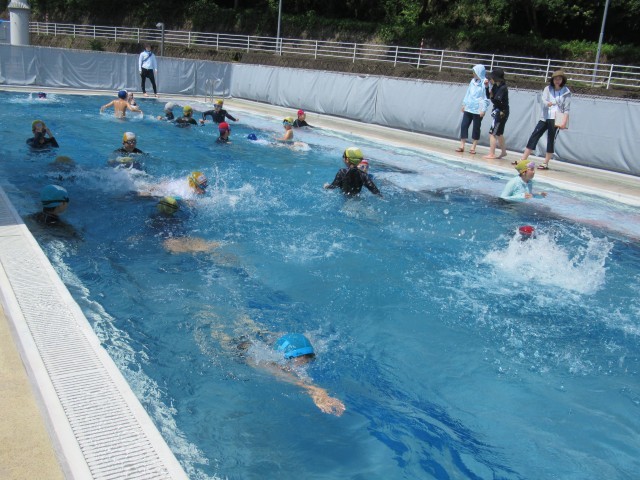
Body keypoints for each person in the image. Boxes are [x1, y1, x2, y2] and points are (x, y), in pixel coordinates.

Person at [519, 70, 571, 170]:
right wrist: (547, 103)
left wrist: (564, 121)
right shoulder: (548, 88)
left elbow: (566, 108)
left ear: (562, 80)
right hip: (545, 116)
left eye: (559, 79)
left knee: (551, 139)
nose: (557, 81)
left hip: (557, 117)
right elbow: (543, 99)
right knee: (535, 135)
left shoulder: (566, 92)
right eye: (555, 79)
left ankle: (545, 163)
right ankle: (523, 158)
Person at [456, 64, 489, 154]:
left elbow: (486, 97)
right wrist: (464, 104)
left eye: (475, 72)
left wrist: (483, 109)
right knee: (464, 125)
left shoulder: (485, 82)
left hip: (478, 109)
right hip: (469, 107)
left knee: (476, 127)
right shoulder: (472, 81)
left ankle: (473, 147)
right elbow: (468, 93)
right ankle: (462, 145)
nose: (473, 74)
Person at [483, 68, 509, 160]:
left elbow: (496, 100)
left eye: (491, 78)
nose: (490, 80)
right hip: (499, 111)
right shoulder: (495, 86)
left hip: (501, 113)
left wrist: (491, 96)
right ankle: (504, 152)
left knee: (492, 133)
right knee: (499, 133)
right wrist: (487, 87)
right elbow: (489, 96)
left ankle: (492, 154)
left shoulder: (502, 88)